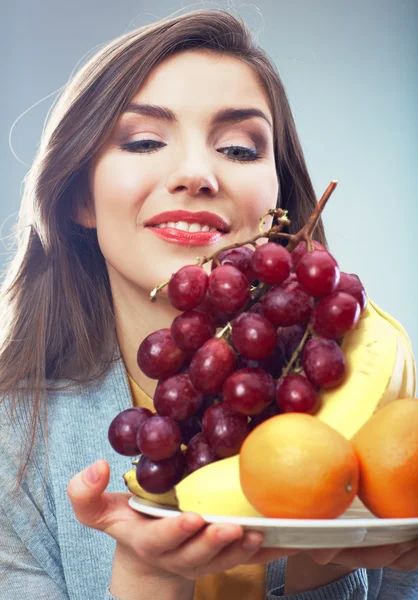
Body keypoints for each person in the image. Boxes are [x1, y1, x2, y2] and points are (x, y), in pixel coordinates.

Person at [0, 8, 417, 600]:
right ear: (79, 200)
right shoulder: (10, 444)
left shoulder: (378, 413)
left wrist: (324, 569)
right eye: (144, 141)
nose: (196, 173)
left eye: (240, 150)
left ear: (279, 205)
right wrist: (148, 580)